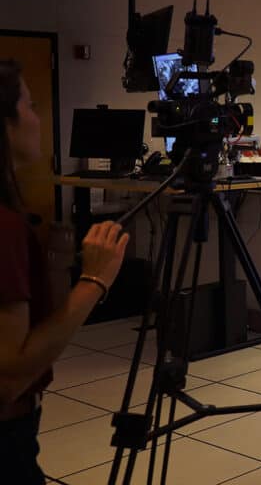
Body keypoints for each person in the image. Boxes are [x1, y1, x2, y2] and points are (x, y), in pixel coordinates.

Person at [0, 60, 130, 484]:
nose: (38, 118)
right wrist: (95, 280)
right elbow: (10, 376)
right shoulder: (4, 226)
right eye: (30, 105)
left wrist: (54, 262)